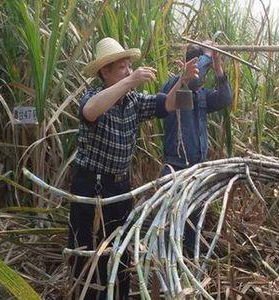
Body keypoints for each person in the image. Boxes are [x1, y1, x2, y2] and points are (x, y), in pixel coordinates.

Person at [68, 37, 198, 299]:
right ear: (104, 72)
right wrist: (131, 80)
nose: (129, 72)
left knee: (120, 250)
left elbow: (167, 105)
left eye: (130, 67)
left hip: (120, 187)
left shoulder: (133, 101)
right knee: (88, 251)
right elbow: (90, 112)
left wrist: (182, 80)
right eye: (122, 68)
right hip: (91, 187)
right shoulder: (94, 96)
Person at [159, 41, 232, 255]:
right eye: (202, 67)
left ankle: (190, 263)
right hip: (176, 169)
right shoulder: (174, 86)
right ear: (189, 65)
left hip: (196, 171)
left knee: (193, 226)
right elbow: (192, 80)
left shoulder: (200, 94)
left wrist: (218, 68)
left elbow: (224, 98)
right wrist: (208, 54)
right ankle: (166, 268)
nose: (204, 75)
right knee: (171, 227)